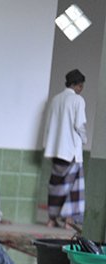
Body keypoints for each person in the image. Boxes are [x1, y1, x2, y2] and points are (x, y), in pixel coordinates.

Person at [43, 68, 87, 230]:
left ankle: (51, 219)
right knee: (73, 188)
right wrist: (85, 139)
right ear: (77, 85)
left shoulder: (56, 99)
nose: (81, 90)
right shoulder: (77, 101)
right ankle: (69, 220)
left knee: (56, 186)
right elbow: (80, 124)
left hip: (56, 150)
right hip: (72, 152)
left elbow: (49, 125)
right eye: (81, 86)